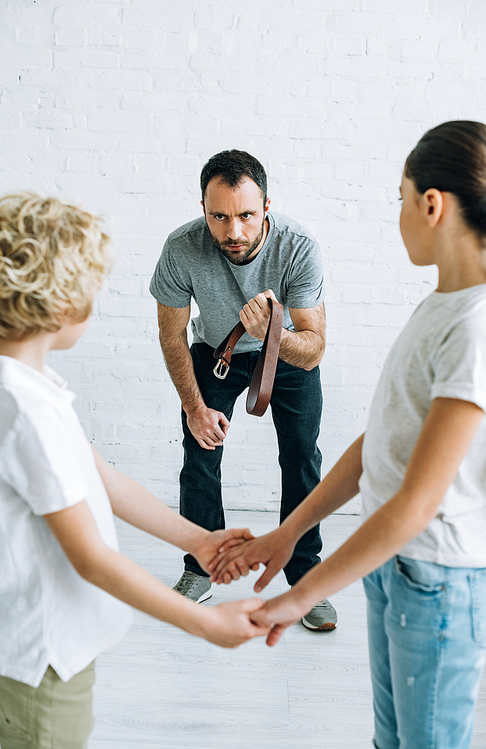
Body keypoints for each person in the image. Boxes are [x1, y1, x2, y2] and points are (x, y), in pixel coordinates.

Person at [209, 121, 486, 749]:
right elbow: (376, 444)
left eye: (399, 198)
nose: (399, 214)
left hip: (438, 580)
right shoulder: (440, 306)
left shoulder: (475, 327)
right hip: (398, 572)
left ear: (432, 205)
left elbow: (415, 505)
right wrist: (289, 532)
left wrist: (298, 596)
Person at [0, 192, 269, 749]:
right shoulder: (29, 413)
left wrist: (200, 539)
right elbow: (91, 558)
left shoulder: (18, 386)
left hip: (37, 641)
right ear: (66, 307)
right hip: (46, 654)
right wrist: (206, 624)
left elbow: (103, 481)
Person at [150, 149, 337, 630]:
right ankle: (202, 568)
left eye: (247, 216)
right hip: (216, 352)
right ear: (203, 209)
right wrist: (194, 408)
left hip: (288, 352)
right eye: (219, 216)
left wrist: (273, 331)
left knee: (300, 456)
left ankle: (305, 577)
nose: (233, 231)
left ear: (267, 207)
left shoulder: (298, 246)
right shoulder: (181, 248)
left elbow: (313, 349)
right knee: (200, 453)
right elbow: (171, 335)